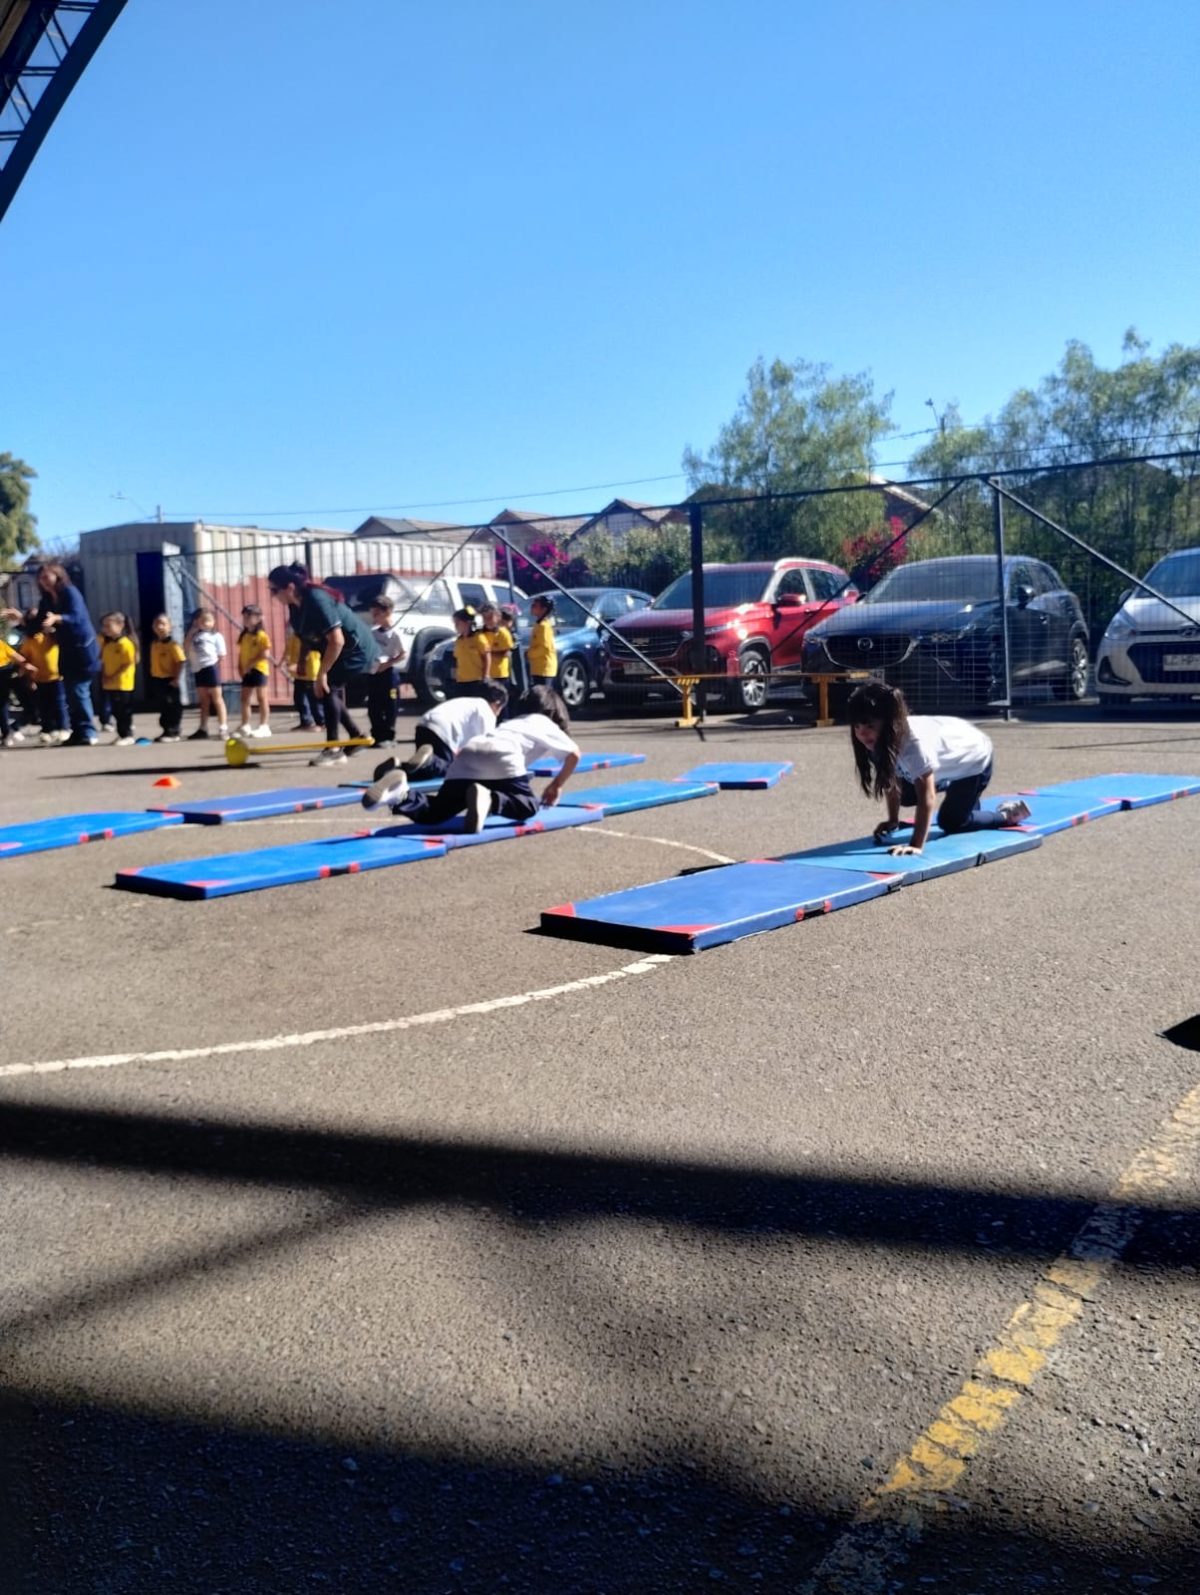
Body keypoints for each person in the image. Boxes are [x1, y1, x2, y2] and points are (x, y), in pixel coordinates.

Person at [364, 684, 579, 834]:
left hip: (471, 752)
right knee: (528, 806)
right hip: (502, 755)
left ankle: (400, 794)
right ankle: (489, 799)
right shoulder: (545, 722)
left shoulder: (512, 723)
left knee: (435, 812)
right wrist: (556, 785)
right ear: (553, 711)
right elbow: (574, 754)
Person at [848, 681, 1030, 855]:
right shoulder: (876, 742)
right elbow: (892, 779)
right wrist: (893, 820)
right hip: (951, 751)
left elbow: (927, 796)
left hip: (975, 759)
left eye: (870, 726)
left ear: (889, 724)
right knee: (905, 793)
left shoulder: (914, 747)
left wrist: (916, 845)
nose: (862, 734)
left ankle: (1009, 814)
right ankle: (961, 796)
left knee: (952, 823)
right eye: (857, 726)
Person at [266, 562, 378, 767]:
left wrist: (322, 673)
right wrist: (302, 662)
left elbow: (337, 640)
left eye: (274, 590)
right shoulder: (295, 606)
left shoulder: (316, 599)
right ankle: (355, 737)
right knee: (328, 690)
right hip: (336, 650)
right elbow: (306, 637)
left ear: (289, 587)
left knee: (328, 688)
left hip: (355, 650)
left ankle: (334, 749)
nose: (273, 595)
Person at [366, 680, 509, 792]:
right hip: (442, 730)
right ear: (497, 703)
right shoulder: (486, 710)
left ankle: (395, 770)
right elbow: (484, 746)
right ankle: (430, 761)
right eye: (500, 710)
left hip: (424, 725)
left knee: (422, 772)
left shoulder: (467, 702)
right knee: (451, 770)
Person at [29, 563, 100, 745]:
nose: (43, 581)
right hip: (66, 649)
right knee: (70, 692)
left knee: (79, 690)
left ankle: (88, 731)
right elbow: (37, 624)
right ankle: (77, 732)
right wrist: (21, 619)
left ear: (57, 575)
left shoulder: (70, 592)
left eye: (47, 576)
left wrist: (57, 618)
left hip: (83, 648)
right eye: (41, 578)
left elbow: (77, 617)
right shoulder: (46, 599)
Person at [18, 609, 67, 743]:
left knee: (59, 704)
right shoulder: (30, 640)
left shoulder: (53, 636)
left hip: (57, 676)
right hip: (39, 678)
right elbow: (24, 657)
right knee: (44, 706)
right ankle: (47, 729)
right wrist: (27, 673)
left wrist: (51, 629)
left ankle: (63, 728)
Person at [367, 595, 407, 748]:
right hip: (374, 672)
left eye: (376, 613)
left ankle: (388, 736)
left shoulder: (396, 633)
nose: (374, 617)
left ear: (386, 612)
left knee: (390, 705)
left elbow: (403, 653)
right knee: (373, 706)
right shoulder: (374, 632)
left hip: (388, 674)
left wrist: (388, 663)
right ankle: (376, 734)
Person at [185, 609, 229, 740]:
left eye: (209, 621)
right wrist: (190, 634)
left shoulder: (216, 636)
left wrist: (213, 665)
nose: (206, 623)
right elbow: (185, 648)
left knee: (217, 699)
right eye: (202, 620)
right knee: (204, 701)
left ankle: (223, 728)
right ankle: (203, 728)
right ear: (196, 622)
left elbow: (221, 655)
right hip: (198, 669)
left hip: (210, 668)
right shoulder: (193, 636)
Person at [98, 612, 139, 745]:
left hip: (123, 683)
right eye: (104, 626)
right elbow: (103, 662)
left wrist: (113, 676)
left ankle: (127, 734)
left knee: (124, 710)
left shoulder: (125, 643)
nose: (105, 629)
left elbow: (127, 663)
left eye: (108, 626)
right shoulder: (107, 644)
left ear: (120, 625)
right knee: (116, 710)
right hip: (110, 683)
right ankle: (121, 733)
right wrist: (104, 676)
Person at [148, 613, 186, 742]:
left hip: (169, 679)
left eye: (163, 624)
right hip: (158, 678)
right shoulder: (154, 644)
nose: (160, 627)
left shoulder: (173, 644)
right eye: (157, 624)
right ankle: (166, 731)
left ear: (170, 627)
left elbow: (180, 661)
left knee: (172, 706)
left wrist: (176, 679)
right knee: (163, 706)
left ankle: (174, 731)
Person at [236, 603, 272, 737]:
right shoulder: (244, 636)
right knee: (245, 698)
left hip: (259, 669)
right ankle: (245, 724)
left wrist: (251, 663)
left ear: (258, 618)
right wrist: (240, 666)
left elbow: (265, 654)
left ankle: (264, 725)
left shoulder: (262, 635)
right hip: (247, 671)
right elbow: (241, 653)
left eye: (248, 617)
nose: (245, 620)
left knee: (261, 698)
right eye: (244, 617)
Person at [0, 631, 37, 747]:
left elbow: (17, 657)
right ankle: (7, 732)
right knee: (2, 705)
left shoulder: (1, 644)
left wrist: (27, 667)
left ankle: (13, 728)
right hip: (5, 674)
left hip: (12, 673)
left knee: (29, 704)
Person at [282, 624, 322, 730]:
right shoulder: (293, 636)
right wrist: (283, 661)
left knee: (313, 699)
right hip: (298, 673)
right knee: (299, 698)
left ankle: (321, 722)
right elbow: (288, 650)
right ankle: (306, 721)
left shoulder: (308, 635)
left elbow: (309, 650)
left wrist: (297, 664)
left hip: (310, 671)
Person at [450, 606, 490, 698]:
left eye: (458, 623)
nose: (455, 626)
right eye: (454, 623)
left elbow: (487, 657)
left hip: (476, 680)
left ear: (467, 623)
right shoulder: (459, 641)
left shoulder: (478, 638)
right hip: (461, 680)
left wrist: (486, 676)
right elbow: (457, 660)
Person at [480, 602, 514, 708]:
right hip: (485, 674)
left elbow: (507, 652)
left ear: (498, 617)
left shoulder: (503, 633)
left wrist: (489, 653)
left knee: (501, 703)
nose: (487, 620)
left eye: (490, 617)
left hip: (500, 675)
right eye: (485, 618)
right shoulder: (481, 633)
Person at [526, 594, 558, 688]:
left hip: (544, 668)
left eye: (535, 606)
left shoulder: (544, 626)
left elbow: (545, 648)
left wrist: (529, 654)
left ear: (543, 609)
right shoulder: (538, 624)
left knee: (544, 696)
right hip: (538, 668)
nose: (532, 607)